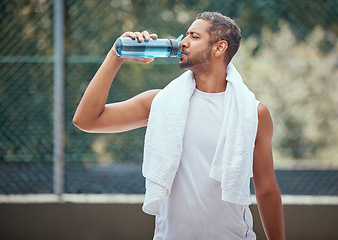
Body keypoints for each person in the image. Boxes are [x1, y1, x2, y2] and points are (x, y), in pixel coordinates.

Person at [73, 12, 285, 240]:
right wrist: (116, 55)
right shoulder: (160, 103)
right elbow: (86, 120)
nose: (182, 42)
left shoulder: (252, 114)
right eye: (185, 35)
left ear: (219, 48)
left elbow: (267, 190)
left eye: (194, 36)